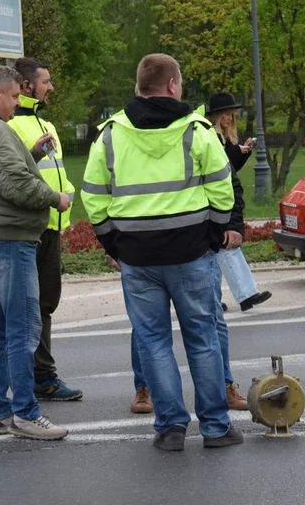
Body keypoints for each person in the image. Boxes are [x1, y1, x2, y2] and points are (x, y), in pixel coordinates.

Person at [82, 53, 242, 452]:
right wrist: (213, 233)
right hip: (190, 253)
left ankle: (170, 428)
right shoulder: (196, 130)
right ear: (172, 85)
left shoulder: (111, 134)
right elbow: (222, 187)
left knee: (152, 341)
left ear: (140, 86)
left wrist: (111, 242)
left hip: (137, 257)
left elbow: (92, 196)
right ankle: (216, 428)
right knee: (202, 339)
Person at [0, 64, 72, 441]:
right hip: (9, 241)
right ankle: (26, 413)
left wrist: (30, 156)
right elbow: (13, 185)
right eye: (14, 96)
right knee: (22, 331)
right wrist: (55, 197)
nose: (17, 103)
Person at [7, 57, 82, 402]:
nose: (51, 87)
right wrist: (34, 154)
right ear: (26, 87)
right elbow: (10, 176)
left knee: (44, 305)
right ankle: (28, 378)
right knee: (23, 307)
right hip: (26, 230)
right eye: (46, 81)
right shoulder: (8, 125)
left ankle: (41, 377)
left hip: (50, 228)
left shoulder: (46, 123)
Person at [204, 93, 272, 313]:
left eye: (231, 112)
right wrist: (235, 152)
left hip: (218, 199)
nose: (230, 115)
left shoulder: (221, 136)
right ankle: (240, 295)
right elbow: (218, 169)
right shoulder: (210, 136)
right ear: (214, 114)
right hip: (212, 202)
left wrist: (240, 153)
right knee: (220, 247)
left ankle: (240, 295)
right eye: (225, 111)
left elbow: (228, 169)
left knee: (219, 250)